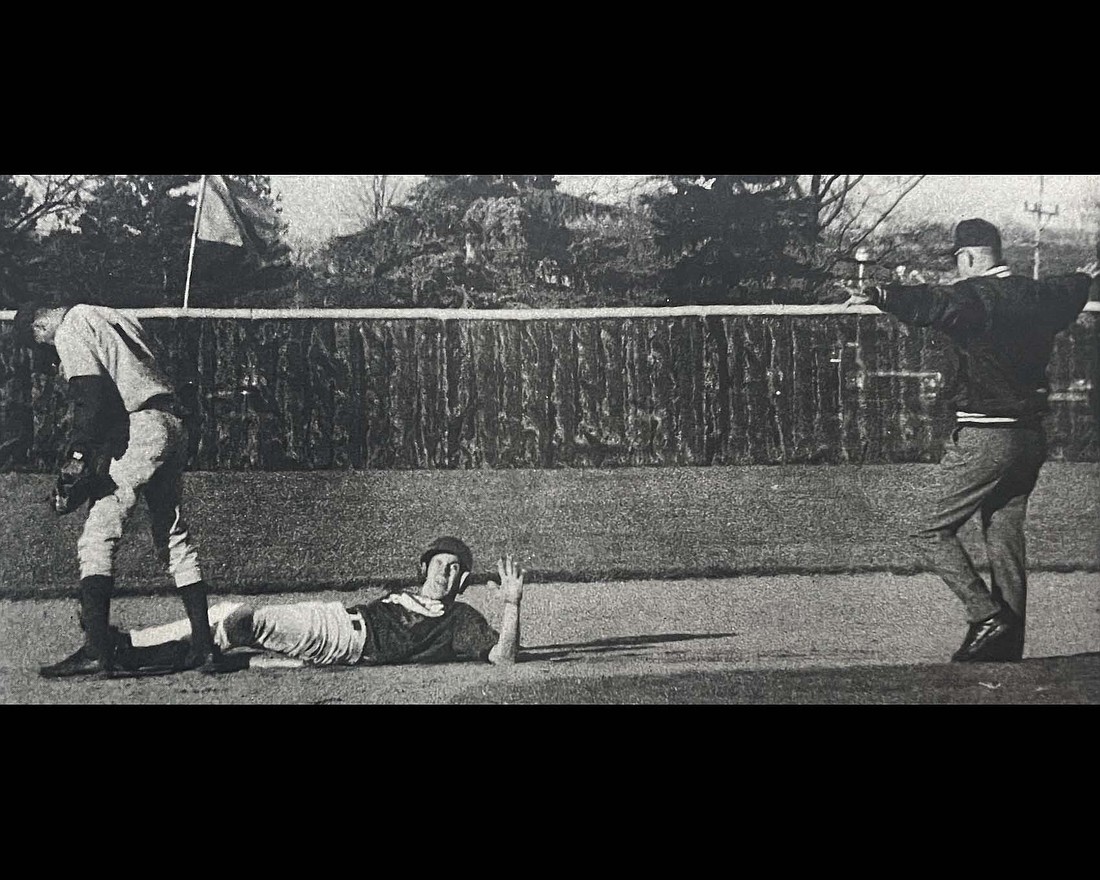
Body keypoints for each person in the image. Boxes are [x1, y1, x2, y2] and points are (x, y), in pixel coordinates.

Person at [846, 219, 1098, 662]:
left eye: (958, 263)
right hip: (1030, 437)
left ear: (967, 258)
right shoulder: (1040, 295)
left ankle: (985, 616)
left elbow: (934, 303)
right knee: (1003, 533)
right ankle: (1007, 644)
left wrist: (883, 295)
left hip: (987, 435)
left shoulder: (976, 295)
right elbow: (1070, 289)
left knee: (926, 529)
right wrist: (1084, 277)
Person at [13, 300, 221, 677]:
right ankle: (204, 648)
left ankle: (96, 650)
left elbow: (90, 398)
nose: (50, 353)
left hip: (142, 425)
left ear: (40, 327)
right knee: (173, 534)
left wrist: (77, 456)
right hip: (172, 423)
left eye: (42, 345)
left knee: (98, 534)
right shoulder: (114, 315)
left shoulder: (71, 325)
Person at [113, 537, 526, 672]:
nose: (446, 574)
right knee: (241, 643)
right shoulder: (410, 593)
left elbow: (503, 658)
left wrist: (512, 605)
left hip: (348, 638)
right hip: (335, 619)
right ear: (424, 567)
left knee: (234, 616)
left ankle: (127, 645)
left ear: (464, 581)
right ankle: (144, 657)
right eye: (440, 564)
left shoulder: (460, 618)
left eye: (456, 570)